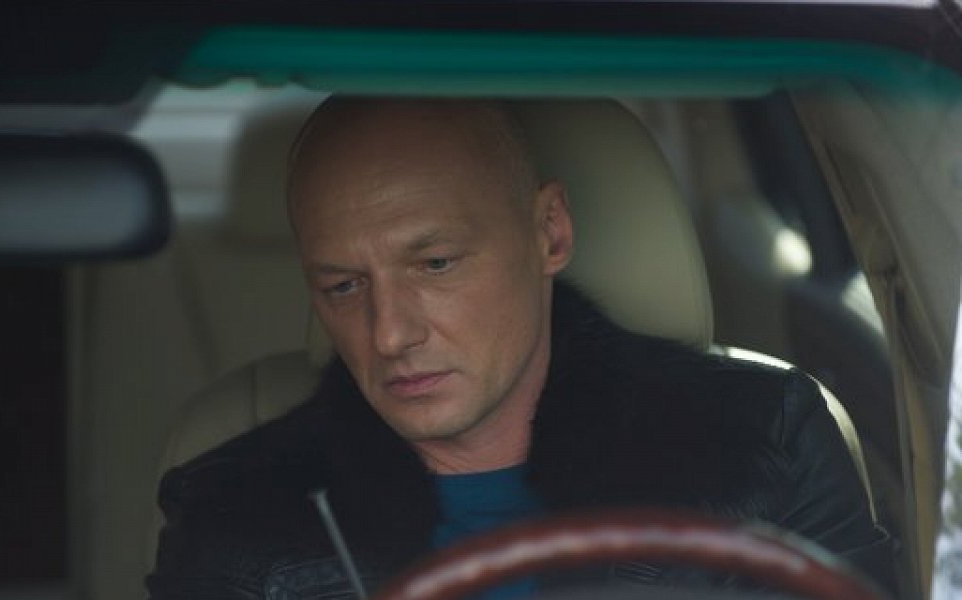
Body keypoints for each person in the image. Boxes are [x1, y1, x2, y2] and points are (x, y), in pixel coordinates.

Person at [147, 97, 895, 599]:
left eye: (435, 264)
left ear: (550, 233)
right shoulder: (235, 517)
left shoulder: (763, 444)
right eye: (344, 285)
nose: (390, 334)